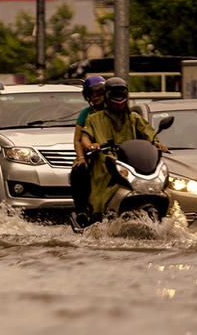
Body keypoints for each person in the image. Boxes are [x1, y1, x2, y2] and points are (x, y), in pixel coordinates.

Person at [80, 77, 168, 220]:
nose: (118, 99)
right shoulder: (94, 118)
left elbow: (149, 134)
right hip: (106, 164)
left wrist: (157, 144)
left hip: (132, 162)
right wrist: (90, 145)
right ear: (107, 96)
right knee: (100, 189)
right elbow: (85, 136)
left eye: (121, 95)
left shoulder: (134, 118)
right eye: (115, 95)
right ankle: (98, 215)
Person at [69, 75, 106, 228]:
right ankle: (81, 211)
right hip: (92, 156)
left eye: (99, 93)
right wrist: (81, 157)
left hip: (114, 157)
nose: (96, 97)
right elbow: (79, 139)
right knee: (78, 171)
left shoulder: (117, 113)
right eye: (92, 94)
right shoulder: (86, 115)